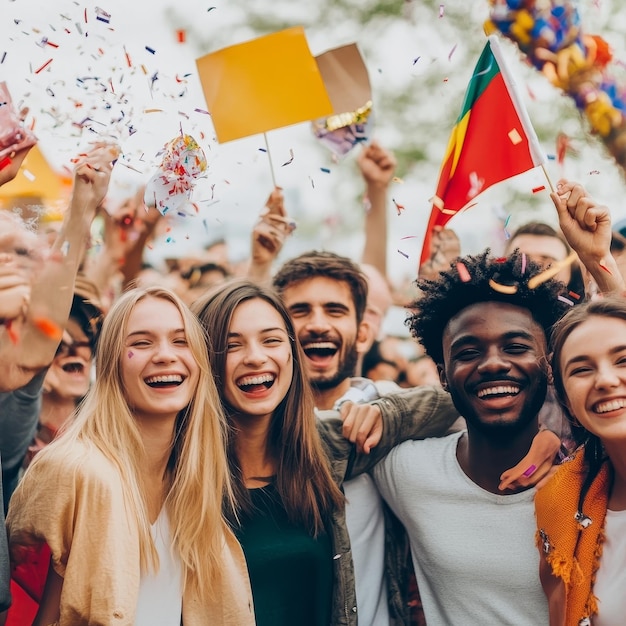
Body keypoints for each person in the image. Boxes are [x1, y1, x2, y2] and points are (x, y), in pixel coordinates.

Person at [191, 279, 458, 626]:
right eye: (231, 345)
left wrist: (383, 412)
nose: (256, 358)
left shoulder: (326, 446)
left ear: (291, 353)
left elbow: (451, 405)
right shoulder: (175, 469)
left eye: (271, 340)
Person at [6, 286, 254, 625]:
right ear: (111, 364)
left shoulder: (195, 482)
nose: (166, 355)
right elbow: (37, 607)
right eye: (141, 342)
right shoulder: (77, 469)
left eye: (181, 341)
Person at [372, 250, 570, 625]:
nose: (493, 363)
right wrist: (375, 407)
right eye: (468, 352)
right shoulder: (405, 469)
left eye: (515, 347)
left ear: (549, 364)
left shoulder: (594, 475)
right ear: (443, 375)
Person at [536, 296, 626, 625]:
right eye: (582, 370)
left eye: (624, 360)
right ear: (568, 404)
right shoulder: (561, 506)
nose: (605, 380)